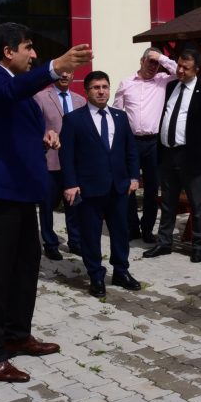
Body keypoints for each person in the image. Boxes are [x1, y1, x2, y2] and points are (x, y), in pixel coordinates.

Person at [0, 22, 92, 383]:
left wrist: (44, 135)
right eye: (28, 47)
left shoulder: (14, 82)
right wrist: (55, 66)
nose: (34, 54)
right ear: (8, 52)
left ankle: (17, 334)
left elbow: (13, 124)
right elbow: (9, 94)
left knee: (25, 265)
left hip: (21, 190)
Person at [61, 71, 141, 299]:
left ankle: (121, 271)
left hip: (119, 186)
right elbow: (66, 156)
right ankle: (95, 275)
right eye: (96, 87)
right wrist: (70, 183)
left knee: (120, 231)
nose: (101, 91)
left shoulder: (120, 117)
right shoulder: (74, 119)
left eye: (105, 87)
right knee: (90, 234)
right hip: (89, 187)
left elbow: (131, 149)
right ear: (87, 91)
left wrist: (134, 177)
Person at [143, 48, 201, 263]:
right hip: (168, 154)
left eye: (185, 68)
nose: (179, 70)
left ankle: (198, 246)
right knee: (168, 202)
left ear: (196, 69)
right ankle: (164, 242)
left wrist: (196, 143)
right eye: (178, 65)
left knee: (197, 204)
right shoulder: (171, 87)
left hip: (190, 156)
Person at [113, 47, 178, 243]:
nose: (153, 66)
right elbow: (117, 112)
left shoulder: (162, 80)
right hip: (131, 142)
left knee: (152, 188)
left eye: (156, 63)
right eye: (150, 61)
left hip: (153, 143)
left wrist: (161, 57)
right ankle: (132, 227)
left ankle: (147, 229)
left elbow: (178, 71)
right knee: (129, 186)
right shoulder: (126, 83)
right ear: (141, 61)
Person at [33, 70, 86, 259]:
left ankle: (75, 241)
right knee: (47, 206)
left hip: (74, 163)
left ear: (73, 76)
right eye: (61, 72)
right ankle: (50, 243)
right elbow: (34, 126)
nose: (64, 75)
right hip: (50, 160)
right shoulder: (40, 97)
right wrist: (45, 138)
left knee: (74, 204)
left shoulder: (80, 100)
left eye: (68, 72)